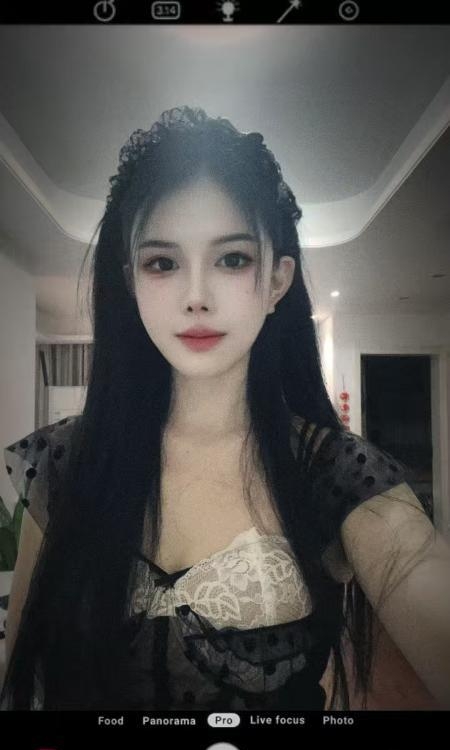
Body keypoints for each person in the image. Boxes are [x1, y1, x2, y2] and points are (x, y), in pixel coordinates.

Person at [1, 106, 450, 711]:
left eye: (232, 258)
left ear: (277, 281)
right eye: (163, 263)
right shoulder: (63, 463)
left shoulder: (333, 471)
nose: (196, 297)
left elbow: (419, 572)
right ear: (131, 282)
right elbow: (17, 678)